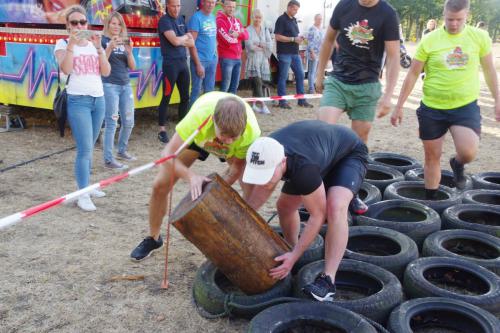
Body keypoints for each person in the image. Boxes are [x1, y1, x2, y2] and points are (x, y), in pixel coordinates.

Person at [243, 120, 368, 301]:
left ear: (282, 162)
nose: (265, 180)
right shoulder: (263, 150)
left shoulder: (302, 167)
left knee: (335, 207)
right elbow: (259, 195)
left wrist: (295, 256)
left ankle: (328, 281)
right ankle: (291, 249)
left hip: (348, 154)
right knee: (284, 206)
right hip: (318, 153)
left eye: (269, 174)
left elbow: (318, 215)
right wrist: (238, 218)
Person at [130, 92, 261, 261]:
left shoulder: (250, 132)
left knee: (250, 189)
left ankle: (244, 238)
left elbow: (236, 168)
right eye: (223, 136)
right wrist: (191, 177)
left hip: (233, 151)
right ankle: (154, 239)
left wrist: (212, 193)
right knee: (159, 185)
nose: (227, 141)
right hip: (199, 139)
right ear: (213, 120)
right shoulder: (198, 117)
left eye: (233, 137)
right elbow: (167, 154)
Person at [390, 0, 499, 197]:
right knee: (432, 157)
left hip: (464, 106)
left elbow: (490, 71)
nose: (454, 24)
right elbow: (413, 74)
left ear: (468, 15)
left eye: (459, 19)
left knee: (468, 152)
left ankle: (457, 164)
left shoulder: (479, 37)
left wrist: (498, 99)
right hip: (432, 107)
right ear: (443, 15)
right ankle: (431, 200)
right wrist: (398, 106)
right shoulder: (430, 39)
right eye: (450, 19)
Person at [315, 0, 400, 144]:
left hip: (367, 86)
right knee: (323, 131)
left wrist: (388, 95)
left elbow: (393, 56)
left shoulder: (388, 13)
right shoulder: (344, 5)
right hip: (338, 81)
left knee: (359, 141)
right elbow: (328, 40)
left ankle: (356, 166)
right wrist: (319, 75)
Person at [54, 5, 111, 211]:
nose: (79, 26)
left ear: (87, 23)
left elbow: (106, 71)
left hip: (99, 99)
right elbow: (66, 68)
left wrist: (98, 48)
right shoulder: (62, 44)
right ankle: (82, 194)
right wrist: (71, 45)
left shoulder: (94, 44)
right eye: (74, 22)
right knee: (84, 149)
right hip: (78, 101)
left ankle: (87, 185)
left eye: (82, 22)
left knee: (91, 146)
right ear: (67, 25)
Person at [101, 11, 137, 170]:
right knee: (112, 123)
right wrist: (109, 47)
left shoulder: (124, 42)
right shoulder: (102, 41)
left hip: (125, 84)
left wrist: (129, 52)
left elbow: (132, 66)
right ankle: (109, 159)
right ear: (108, 24)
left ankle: (122, 150)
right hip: (109, 85)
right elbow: (101, 64)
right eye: (113, 23)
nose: (116, 26)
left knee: (129, 121)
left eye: (119, 24)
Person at [157, 0, 194, 143]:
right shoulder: (164, 21)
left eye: (178, 6)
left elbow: (191, 43)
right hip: (170, 65)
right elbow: (175, 41)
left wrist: (182, 39)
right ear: (167, 6)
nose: (176, 9)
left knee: (185, 97)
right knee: (166, 96)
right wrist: (184, 38)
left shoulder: (180, 19)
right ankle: (161, 130)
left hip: (183, 63)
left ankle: (182, 129)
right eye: (173, 6)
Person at [274, 0, 313, 109]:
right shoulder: (281, 19)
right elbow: (277, 36)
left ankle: (301, 100)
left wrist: (300, 38)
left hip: (295, 53)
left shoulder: (294, 20)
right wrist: (293, 39)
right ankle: (282, 102)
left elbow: (294, 36)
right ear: (289, 7)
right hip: (284, 53)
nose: (296, 11)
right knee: (283, 77)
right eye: (294, 9)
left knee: (300, 75)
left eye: (297, 10)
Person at [188, 0, 218, 107]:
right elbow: (191, 44)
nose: (210, 5)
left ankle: (206, 118)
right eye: (208, 2)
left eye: (213, 2)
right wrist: (198, 64)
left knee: (209, 91)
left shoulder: (213, 17)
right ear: (203, 2)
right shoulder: (196, 18)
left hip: (212, 60)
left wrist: (215, 55)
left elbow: (213, 38)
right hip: (200, 61)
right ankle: (190, 120)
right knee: (196, 91)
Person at [216, 0, 248, 94]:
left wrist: (237, 34)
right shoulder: (220, 20)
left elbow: (246, 35)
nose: (232, 9)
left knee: (234, 86)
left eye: (233, 7)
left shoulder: (236, 20)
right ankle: (221, 107)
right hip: (227, 58)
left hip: (238, 57)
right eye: (229, 6)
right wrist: (239, 38)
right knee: (225, 86)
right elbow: (228, 40)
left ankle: (231, 108)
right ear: (224, 7)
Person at [245, 8, 272, 114]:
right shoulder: (248, 29)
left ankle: (254, 104)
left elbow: (270, 44)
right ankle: (264, 105)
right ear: (252, 17)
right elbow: (249, 45)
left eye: (259, 17)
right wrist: (262, 45)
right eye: (256, 17)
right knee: (258, 82)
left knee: (258, 83)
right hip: (253, 60)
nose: (257, 19)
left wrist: (259, 45)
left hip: (263, 60)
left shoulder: (265, 29)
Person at [306, 14, 324, 94]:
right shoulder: (311, 29)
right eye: (318, 19)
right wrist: (312, 53)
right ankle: (311, 89)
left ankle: (314, 86)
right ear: (315, 19)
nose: (320, 21)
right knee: (311, 71)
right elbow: (309, 42)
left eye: (321, 19)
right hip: (313, 53)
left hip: (320, 53)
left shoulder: (321, 29)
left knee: (316, 72)